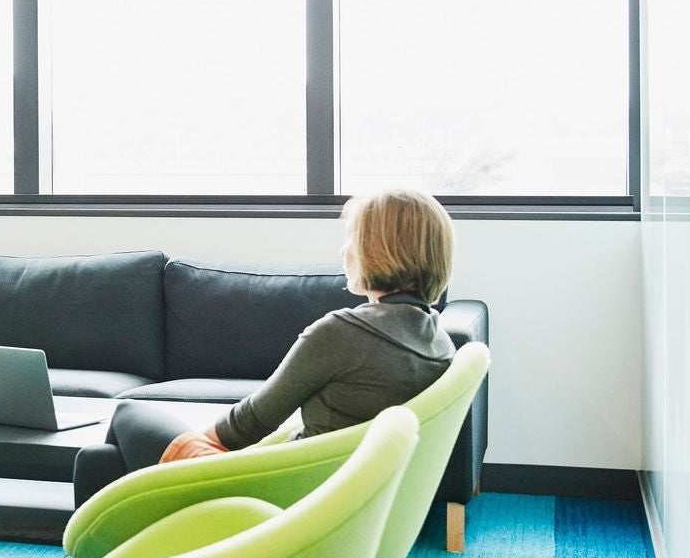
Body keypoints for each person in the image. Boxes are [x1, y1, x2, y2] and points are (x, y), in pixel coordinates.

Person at [100, 188, 458, 486]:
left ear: (379, 250)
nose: (344, 250)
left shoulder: (343, 333)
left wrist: (192, 445)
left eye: (352, 238)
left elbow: (246, 425)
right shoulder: (438, 340)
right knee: (98, 460)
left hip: (278, 490)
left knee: (129, 415)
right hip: (333, 491)